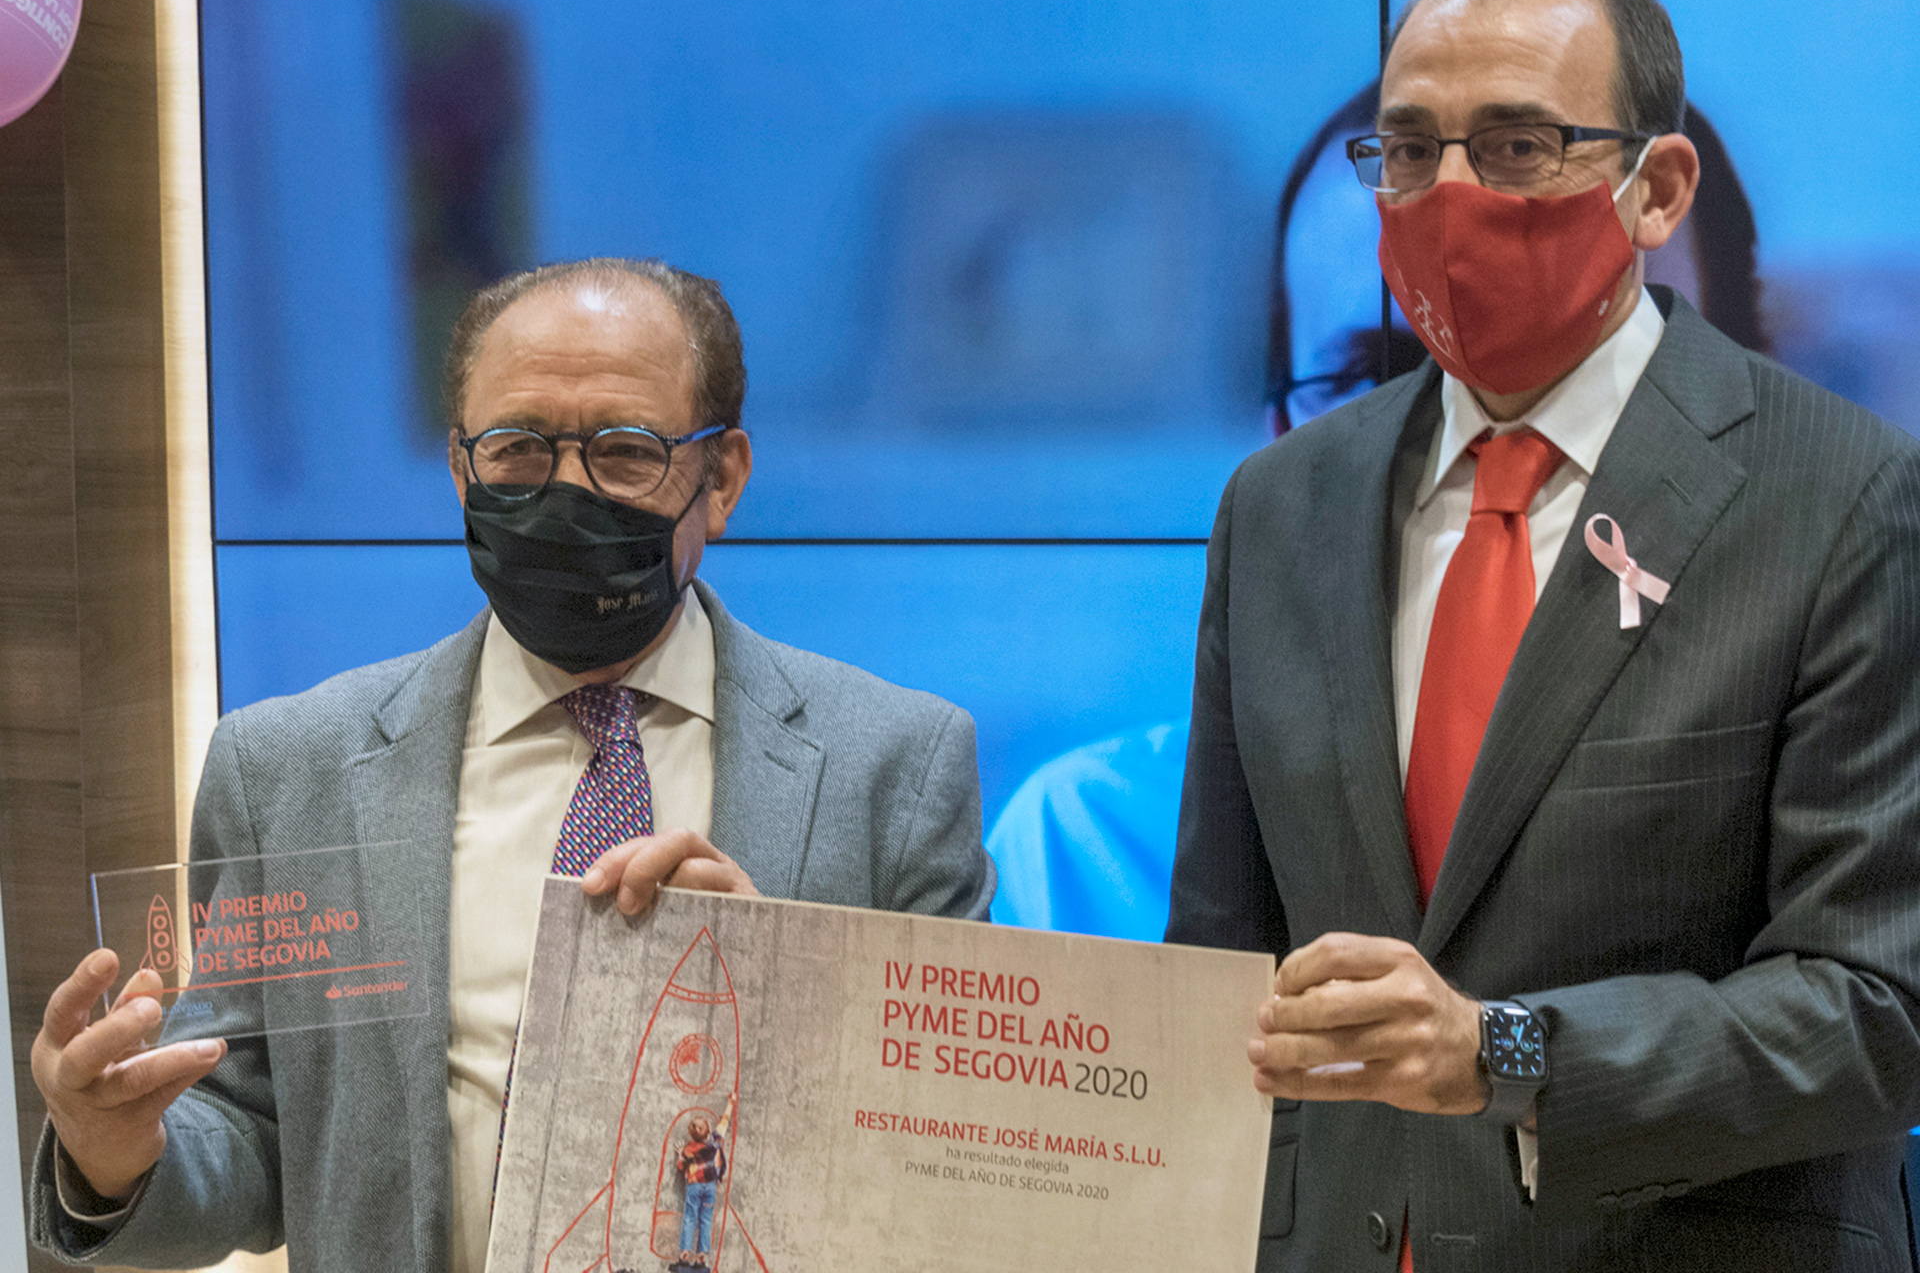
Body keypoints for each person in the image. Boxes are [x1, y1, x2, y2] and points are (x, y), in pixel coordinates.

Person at [27, 258, 994, 1273]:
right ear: (459, 467)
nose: (565, 493)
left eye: (624, 452)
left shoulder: (897, 766)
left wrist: (783, 998)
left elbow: (956, 1164)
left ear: (722, 477)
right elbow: (249, 1129)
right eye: (520, 448)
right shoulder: (284, 769)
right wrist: (113, 1154)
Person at [1167, 0, 1920, 1269]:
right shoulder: (1278, 505)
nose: (1451, 193)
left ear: (1656, 187)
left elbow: (1874, 1010)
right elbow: (1218, 975)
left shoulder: (1843, 496)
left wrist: (1500, 1053)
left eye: (1517, 144)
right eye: (1409, 149)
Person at [991, 74, 1770, 941]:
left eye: (1592, 361)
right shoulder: (1084, 855)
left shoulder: (1847, 824)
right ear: (1277, 434)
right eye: (1378, 376)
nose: (1490, 425)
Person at [674, 1093, 734, 1268]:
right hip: (709, 1187)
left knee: (690, 1217)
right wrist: (730, 1103)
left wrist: (679, 1155)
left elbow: (680, 1166)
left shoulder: (690, 1149)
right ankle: (701, 1254)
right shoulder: (715, 1141)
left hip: (694, 1186)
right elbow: (724, 1120)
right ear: (708, 1130)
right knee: (706, 1219)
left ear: (692, 1136)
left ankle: (685, 1251)